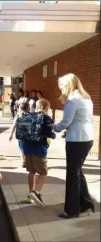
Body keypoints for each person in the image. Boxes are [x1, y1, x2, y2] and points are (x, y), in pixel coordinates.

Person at [52, 73, 94, 219]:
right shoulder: (86, 97)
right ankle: (86, 203)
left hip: (76, 140)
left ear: (69, 84)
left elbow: (66, 122)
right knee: (78, 172)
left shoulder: (72, 99)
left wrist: (53, 127)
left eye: (62, 86)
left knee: (72, 175)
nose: (61, 89)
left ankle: (71, 210)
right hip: (87, 138)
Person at [23, 99, 56, 206]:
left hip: (27, 149)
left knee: (31, 172)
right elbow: (51, 134)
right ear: (47, 108)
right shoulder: (46, 118)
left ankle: (29, 196)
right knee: (43, 172)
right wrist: (53, 134)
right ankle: (36, 192)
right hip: (39, 150)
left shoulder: (29, 116)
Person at [9, 102, 30, 169]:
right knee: (28, 147)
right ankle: (28, 160)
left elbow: (14, 126)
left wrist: (11, 135)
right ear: (28, 108)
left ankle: (24, 161)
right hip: (28, 135)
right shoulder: (31, 116)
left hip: (20, 135)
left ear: (20, 108)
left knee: (22, 149)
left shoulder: (18, 116)